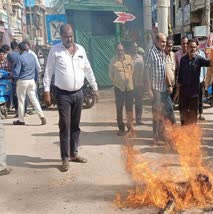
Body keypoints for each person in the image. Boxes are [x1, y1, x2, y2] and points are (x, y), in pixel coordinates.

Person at [43, 24, 99, 172]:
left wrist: (95, 87)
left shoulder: (80, 49)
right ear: (61, 36)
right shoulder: (55, 50)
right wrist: (47, 91)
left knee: (75, 125)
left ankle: (74, 154)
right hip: (63, 95)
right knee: (65, 126)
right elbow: (48, 72)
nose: (69, 39)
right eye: (66, 36)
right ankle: (65, 158)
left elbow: (88, 69)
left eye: (71, 36)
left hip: (79, 93)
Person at [146, 33, 175, 145]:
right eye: (162, 42)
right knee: (157, 114)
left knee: (169, 111)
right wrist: (148, 90)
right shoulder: (151, 53)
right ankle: (155, 137)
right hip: (155, 89)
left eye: (165, 42)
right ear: (156, 41)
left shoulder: (162, 53)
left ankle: (165, 134)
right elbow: (147, 73)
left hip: (164, 89)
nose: (164, 44)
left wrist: (169, 85)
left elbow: (164, 71)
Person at [177, 39, 213, 125]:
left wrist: (212, 55)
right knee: (183, 113)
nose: (192, 49)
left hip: (194, 92)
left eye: (194, 47)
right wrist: (178, 88)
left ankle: (192, 133)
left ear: (197, 48)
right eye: (191, 47)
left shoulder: (199, 59)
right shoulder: (183, 59)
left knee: (193, 115)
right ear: (187, 47)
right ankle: (183, 132)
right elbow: (180, 74)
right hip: (184, 92)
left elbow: (210, 63)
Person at [12, 41, 46, 126]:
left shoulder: (20, 58)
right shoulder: (32, 56)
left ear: (20, 49)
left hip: (23, 81)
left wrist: (13, 77)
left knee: (21, 100)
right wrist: (34, 80)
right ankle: (42, 116)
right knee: (34, 99)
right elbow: (36, 70)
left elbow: (16, 72)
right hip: (31, 81)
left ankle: (21, 120)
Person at [109, 43, 135, 136]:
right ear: (115, 51)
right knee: (119, 109)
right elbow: (111, 75)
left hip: (129, 88)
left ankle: (130, 128)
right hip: (119, 89)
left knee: (129, 109)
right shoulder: (113, 61)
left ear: (124, 50)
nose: (120, 52)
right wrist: (117, 82)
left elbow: (132, 70)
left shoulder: (129, 58)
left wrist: (128, 80)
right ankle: (121, 129)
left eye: (122, 50)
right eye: (118, 50)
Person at [130, 42, 145, 125]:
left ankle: (138, 119)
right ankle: (131, 119)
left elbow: (143, 71)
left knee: (139, 102)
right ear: (131, 48)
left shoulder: (141, 58)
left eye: (136, 47)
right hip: (130, 84)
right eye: (133, 47)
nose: (135, 49)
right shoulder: (127, 58)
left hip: (139, 84)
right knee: (130, 102)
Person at [195, 39, 207, 121]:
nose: (197, 46)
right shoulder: (192, 55)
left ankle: (200, 114)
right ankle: (194, 114)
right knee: (194, 98)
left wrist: (205, 78)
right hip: (193, 81)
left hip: (201, 79)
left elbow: (205, 68)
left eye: (197, 45)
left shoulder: (202, 54)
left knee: (200, 98)